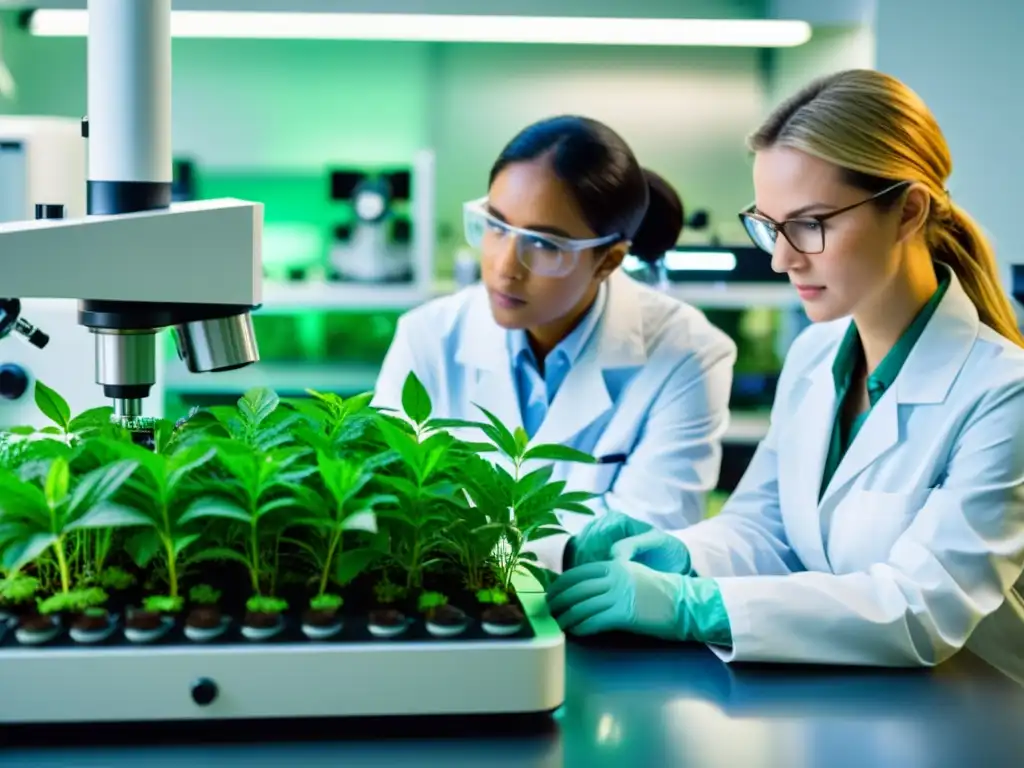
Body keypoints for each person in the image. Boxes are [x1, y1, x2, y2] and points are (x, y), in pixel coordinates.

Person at [546, 69, 1024, 684]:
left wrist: (701, 608)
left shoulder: (1002, 393)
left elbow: (922, 608)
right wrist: (686, 557)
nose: (780, 257)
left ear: (907, 211)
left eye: (809, 224)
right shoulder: (815, 356)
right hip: (852, 704)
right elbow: (767, 527)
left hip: (974, 716)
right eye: (770, 225)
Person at [372, 115, 737, 571]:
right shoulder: (427, 337)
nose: (506, 266)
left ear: (608, 260)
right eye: (496, 226)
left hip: (603, 629)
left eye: (544, 244)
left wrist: (472, 544)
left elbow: (648, 543)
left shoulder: (688, 353)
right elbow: (392, 515)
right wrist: (566, 550)